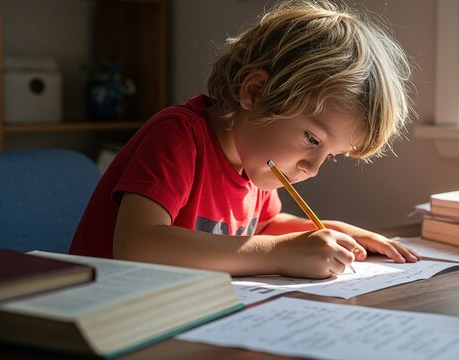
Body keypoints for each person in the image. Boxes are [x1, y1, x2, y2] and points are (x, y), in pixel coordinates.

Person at [70, 0, 420, 279]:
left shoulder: (256, 163)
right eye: (312, 139)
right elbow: (137, 244)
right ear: (254, 92)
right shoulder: (178, 136)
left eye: (331, 155)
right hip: (98, 314)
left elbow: (263, 226)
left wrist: (333, 232)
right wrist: (278, 252)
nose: (312, 169)